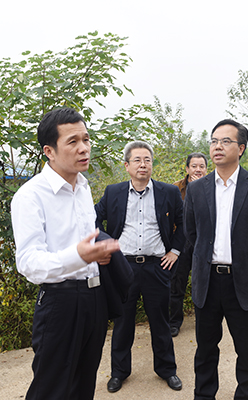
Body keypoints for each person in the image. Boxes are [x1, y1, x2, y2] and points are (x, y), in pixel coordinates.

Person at [11, 107, 131, 400]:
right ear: (49, 151)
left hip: (95, 298)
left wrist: (97, 255)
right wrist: (79, 256)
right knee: (51, 390)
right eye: (73, 141)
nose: (84, 148)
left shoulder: (83, 187)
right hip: (60, 303)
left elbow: (84, 244)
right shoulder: (30, 196)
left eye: (86, 139)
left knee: (83, 386)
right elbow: (29, 263)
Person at [184, 119, 248, 400]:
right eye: (214, 141)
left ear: (241, 148)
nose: (217, 146)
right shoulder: (197, 189)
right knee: (205, 349)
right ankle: (204, 395)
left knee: (247, 348)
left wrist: (247, 260)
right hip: (207, 282)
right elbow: (192, 232)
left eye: (225, 141)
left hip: (242, 282)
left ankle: (247, 395)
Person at [95, 141, 185, 393]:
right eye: (137, 160)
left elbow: (184, 223)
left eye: (147, 160)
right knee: (122, 323)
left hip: (157, 266)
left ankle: (167, 370)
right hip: (123, 267)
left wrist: (175, 251)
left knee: (160, 321)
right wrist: (106, 244)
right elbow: (93, 218)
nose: (143, 164)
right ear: (127, 165)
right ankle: (119, 372)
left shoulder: (169, 192)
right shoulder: (113, 192)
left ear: (152, 164)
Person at [169, 152, 207, 337]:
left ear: (206, 169)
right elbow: (173, 216)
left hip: (204, 242)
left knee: (205, 284)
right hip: (182, 242)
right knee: (177, 284)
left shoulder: (212, 187)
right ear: (187, 168)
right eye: (194, 166)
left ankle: (205, 321)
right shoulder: (175, 188)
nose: (198, 170)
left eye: (201, 166)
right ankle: (174, 322)